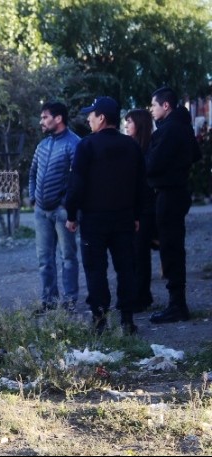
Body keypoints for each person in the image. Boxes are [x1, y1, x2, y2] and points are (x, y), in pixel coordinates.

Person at [65, 96, 144, 335]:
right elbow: (141, 184)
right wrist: (137, 215)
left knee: (95, 269)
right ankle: (128, 320)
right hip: (124, 218)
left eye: (91, 114)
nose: (88, 119)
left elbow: (76, 183)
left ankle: (100, 321)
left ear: (101, 118)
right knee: (126, 269)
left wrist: (71, 214)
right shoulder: (131, 146)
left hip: (94, 219)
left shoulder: (86, 146)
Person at [147, 87, 203, 324]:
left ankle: (177, 304)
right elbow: (196, 154)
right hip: (176, 192)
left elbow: (153, 164)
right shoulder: (182, 127)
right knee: (172, 246)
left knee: (170, 248)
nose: (151, 110)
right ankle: (176, 303)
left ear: (166, 106)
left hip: (169, 193)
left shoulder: (170, 130)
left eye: (154, 105)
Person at [28, 101, 81, 312]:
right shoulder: (42, 145)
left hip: (62, 212)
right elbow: (32, 173)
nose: (41, 121)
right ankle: (48, 300)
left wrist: (68, 206)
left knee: (68, 257)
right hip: (41, 211)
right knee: (44, 259)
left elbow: (78, 179)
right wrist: (33, 198)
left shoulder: (74, 143)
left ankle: (69, 301)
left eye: (44, 117)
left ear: (58, 118)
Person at [124, 109, 157, 312]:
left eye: (129, 122)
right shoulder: (133, 147)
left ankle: (141, 296)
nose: (126, 125)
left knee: (140, 252)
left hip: (144, 208)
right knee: (133, 253)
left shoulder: (147, 148)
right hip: (133, 207)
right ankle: (138, 294)